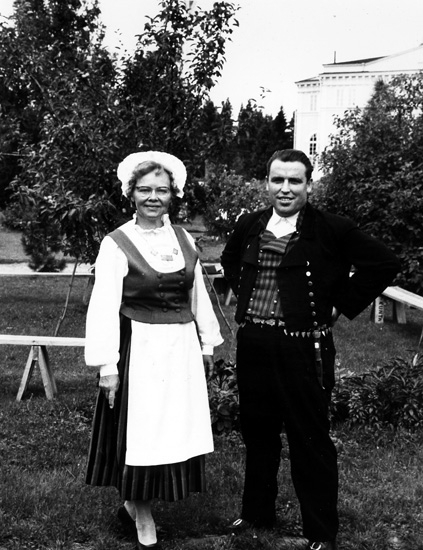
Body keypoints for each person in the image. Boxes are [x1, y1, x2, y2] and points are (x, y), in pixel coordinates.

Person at [221, 149, 400, 550]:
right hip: (254, 343)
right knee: (258, 433)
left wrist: (337, 305)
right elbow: (231, 261)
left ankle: (320, 532)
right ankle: (256, 513)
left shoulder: (332, 228)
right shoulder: (250, 224)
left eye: (294, 181)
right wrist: (247, 296)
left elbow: (384, 263)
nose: (285, 189)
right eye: (277, 180)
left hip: (304, 348)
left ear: (308, 185)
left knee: (310, 439)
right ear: (266, 183)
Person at [85, 151, 223, 550]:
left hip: (180, 350)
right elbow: (103, 306)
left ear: (172, 194)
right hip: (140, 349)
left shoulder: (183, 239)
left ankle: (134, 505)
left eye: (161, 190)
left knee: (172, 429)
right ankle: (142, 514)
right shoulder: (116, 244)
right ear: (131, 193)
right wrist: (107, 365)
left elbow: (197, 294)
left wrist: (207, 343)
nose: (153, 197)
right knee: (143, 431)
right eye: (144, 190)